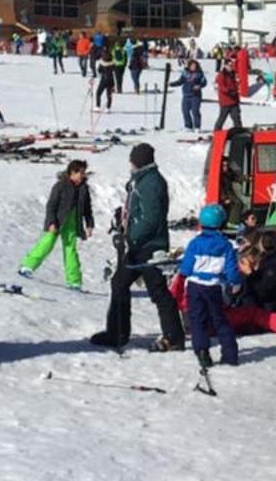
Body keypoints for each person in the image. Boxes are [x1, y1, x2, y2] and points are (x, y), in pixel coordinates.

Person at [90, 144, 185, 352]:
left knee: (158, 291)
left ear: (140, 161)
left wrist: (130, 238)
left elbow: (151, 219)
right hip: (137, 245)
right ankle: (117, 333)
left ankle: (174, 336)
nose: (130, 164)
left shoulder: (151, 183)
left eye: (133, 160)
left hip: (149, 245)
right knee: (119, 283)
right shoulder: (141, 180)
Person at [178, 202, 242, 367]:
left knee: (197, 320)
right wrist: (234, 282)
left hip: (195, 286)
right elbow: (231, 269)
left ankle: (202, 351)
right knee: (219, 319)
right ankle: (230, 354)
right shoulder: (226, 246)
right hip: (214, 286)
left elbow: (185, 268)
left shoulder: (195, 244)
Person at [21, 159, 93, 288]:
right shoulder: (60, 186)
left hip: (72, 222)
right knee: (47, 243)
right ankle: (27, 266)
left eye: (84, 172)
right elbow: (51, 205)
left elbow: (88, 209)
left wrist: (89, 225)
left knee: (70, 249)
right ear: (72, 172)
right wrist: (51, 222)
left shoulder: (84, 189)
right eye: (81, 172)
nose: (83, 175)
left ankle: (74, 281)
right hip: (58, 221)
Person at [213, 59, 243, 131]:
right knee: (222, 118)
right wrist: (229, 91)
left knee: (237, 118)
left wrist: (237, 86)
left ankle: (239, 133)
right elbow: (221, 86)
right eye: (229, 65)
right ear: (225, 65)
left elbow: (236, 84)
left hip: (234, 100)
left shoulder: (233, 74)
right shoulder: (221, 74)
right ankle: (216, 132)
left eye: (232, 65)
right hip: (225, 101)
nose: (231, 67)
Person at [180, 58, 206, 132]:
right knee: (185, 111)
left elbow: (204, 82)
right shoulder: (185, 73)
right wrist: (171, 84)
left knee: (195, 111)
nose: (193, 67)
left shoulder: (200, 74)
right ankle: (188, 126)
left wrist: (199, 86)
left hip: (195, 96)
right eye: (192, 66)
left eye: (195, 66)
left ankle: (197, 126)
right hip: (186, 95)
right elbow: (180, 81)